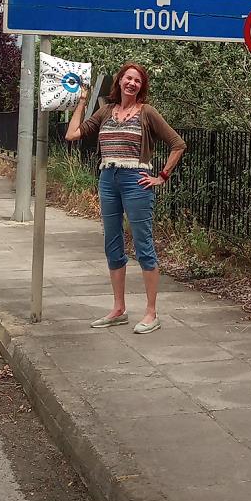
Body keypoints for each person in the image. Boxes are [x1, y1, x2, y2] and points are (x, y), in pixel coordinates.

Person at [65, 62, 186, 334]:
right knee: (112, 243)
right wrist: (82, 102)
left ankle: (151, 313)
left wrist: (162, 176)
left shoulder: (147, 112)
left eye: (137, 81)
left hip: (136, 181)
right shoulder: (105, 111)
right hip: (108, 179)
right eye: (128, 78)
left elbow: (178, 144)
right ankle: (118, 309)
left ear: (141, 87)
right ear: (119, 81)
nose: (132, 83)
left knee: (143, 245)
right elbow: (72, 134)